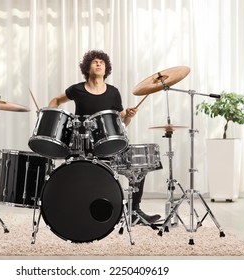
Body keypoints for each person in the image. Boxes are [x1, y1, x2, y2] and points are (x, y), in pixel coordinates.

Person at [48, 50, 160, 225]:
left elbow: (122, 122)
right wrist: (52, 115)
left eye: (102, 62)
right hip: (82, 145)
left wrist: (129, 115)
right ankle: (73, 208)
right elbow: (56, 100)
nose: (99, 64)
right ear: (87, 67)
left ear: (106, 68)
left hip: (108, 144)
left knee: (140, 161)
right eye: (94, 62)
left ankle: (134, 211)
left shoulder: (113, 92)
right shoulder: (77, 89)